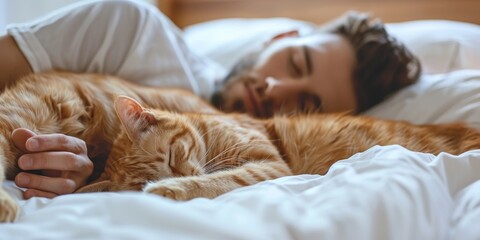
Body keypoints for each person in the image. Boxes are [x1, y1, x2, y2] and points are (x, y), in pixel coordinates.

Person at [0, 0, 420, 199]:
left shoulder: (251, 151)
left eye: (306, 104)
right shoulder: (133, 31)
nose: (274, 90)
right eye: (294, 63)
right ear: (281, 37)